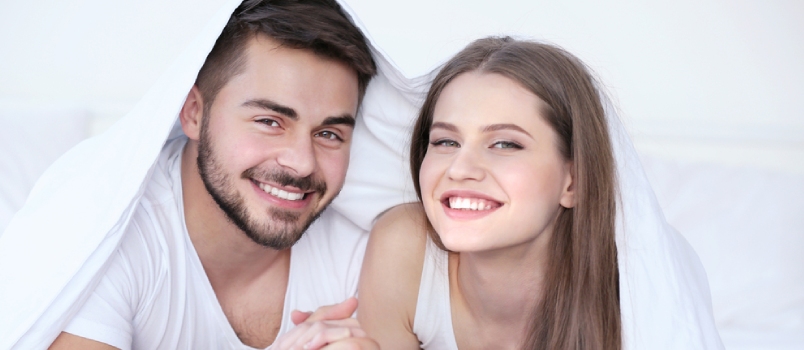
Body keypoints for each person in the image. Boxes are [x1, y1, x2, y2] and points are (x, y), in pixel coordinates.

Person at [36, 0, 376, 348]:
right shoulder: (107, 237)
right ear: (195, 113)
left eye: (328, 134)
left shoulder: (363, 253)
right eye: (269, 122)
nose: (303, 163)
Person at [358, 37, 623, 349]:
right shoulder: (403, 248)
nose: (459, 168)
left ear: (573, 182)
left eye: (505, 143)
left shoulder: (634, 300)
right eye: (446, 141)